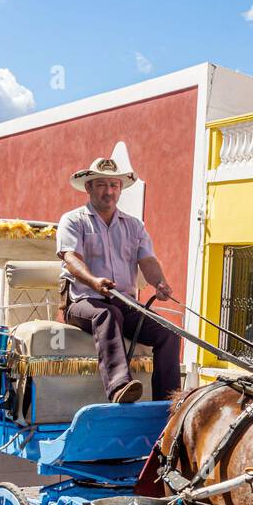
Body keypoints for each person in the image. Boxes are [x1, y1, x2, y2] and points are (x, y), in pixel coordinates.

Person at [57, 155, 180, 403]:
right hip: (83, 301)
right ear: (89, 187)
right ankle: (119, 388)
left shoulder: (134, 226)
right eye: (102, 184)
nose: (109, 191)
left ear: (120, 189)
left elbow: (147, 261)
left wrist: (160, 283)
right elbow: (71, 257)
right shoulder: (73, 220)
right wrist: (94, 281)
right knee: (108, 314)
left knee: (170, 332)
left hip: (125, 303)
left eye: (114, 185)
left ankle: (170, 402)